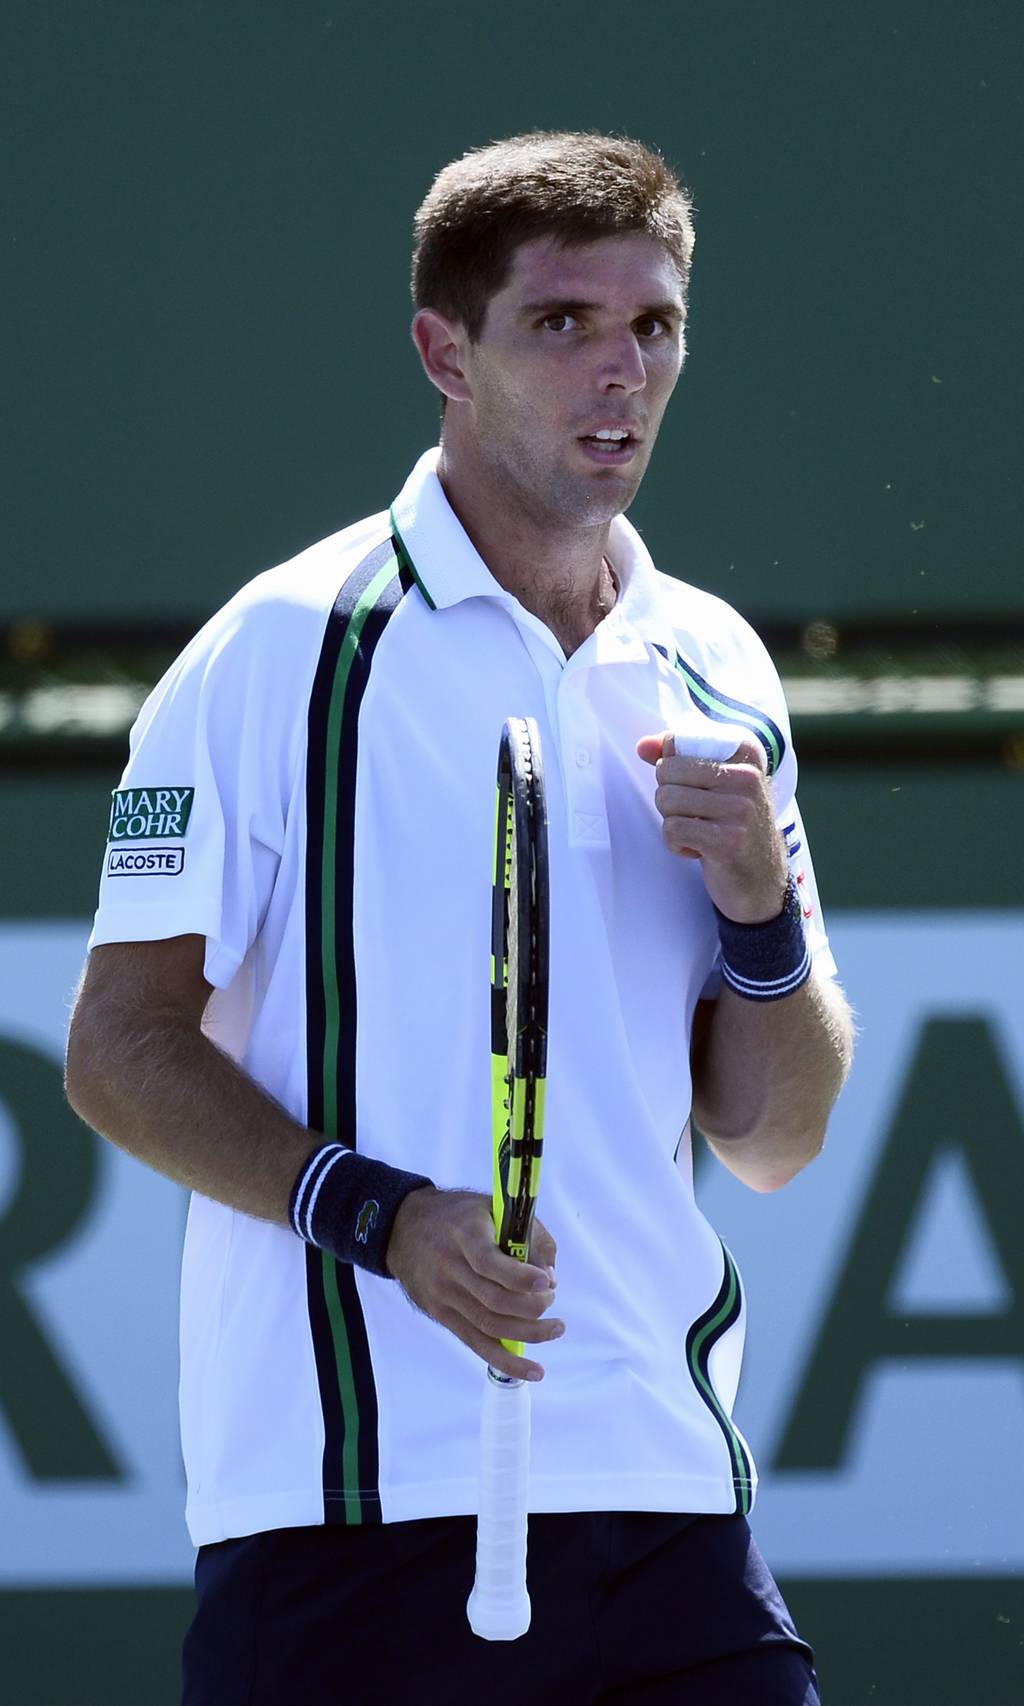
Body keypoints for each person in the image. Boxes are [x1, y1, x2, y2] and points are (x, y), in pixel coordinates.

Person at [66, 131, 854, 1705]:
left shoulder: (719, 666)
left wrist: (762, 921)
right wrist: (381, 1216)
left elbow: (775, 1137)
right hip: (346, 1517)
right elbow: (117, 1048)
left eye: (655, 325)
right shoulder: (276, 652)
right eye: (563, 323)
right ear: (445, 353)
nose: (621, 370)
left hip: (669, 1499)